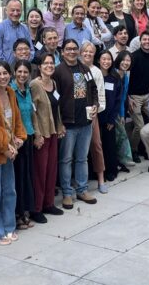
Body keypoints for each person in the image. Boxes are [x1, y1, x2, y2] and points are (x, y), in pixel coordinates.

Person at [52, 39, 99, 209]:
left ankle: (82, 189)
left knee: (82, 158)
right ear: (62, 52)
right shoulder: (58, 72)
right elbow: (54, 100)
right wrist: (59, 123)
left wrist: (95, 105)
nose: (72, 52)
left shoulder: (85, 69)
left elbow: (93, 90)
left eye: (74, 49)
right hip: (68, 123)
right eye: (68, 49)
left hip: (85, 122)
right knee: (66, 160)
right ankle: (66, 193)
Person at [0, 61, 26, 245]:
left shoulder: (10, 92)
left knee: (10, 190)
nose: (3, 77)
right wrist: (5, 147)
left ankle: (9, 226)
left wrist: (19, 138)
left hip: (11, 149)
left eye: (5, 73)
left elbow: (17, 118)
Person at [29, 52, 65, 223]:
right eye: (46, 63)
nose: (49, 66)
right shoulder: (34, 85)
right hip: (42, 134)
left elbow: (56, 108)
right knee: (40, 172)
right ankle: (36, 208)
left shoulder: (54, 83)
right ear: (40, 66)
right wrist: (37, 134)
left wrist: (60, 126)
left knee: (51, 170)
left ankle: (48, 203)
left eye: (52, 63)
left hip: (53, 132)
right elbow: (32, 112)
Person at [11, 60, 37, 230]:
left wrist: (36, 133)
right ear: (14, 72)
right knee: (17, 179)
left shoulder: (27, 89)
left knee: (27, 176)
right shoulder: (11, 91)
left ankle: (25, 211)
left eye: (25, 72)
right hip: (17, 140)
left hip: (28, 136)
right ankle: (17, 214)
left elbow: (32, 113)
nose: (22, 75)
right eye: (19, 72)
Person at [127, 32, 149, 163]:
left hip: (148, 95)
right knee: (139, 126)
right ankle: (134, 150)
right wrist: (128, 97)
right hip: (134, 96)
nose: (147, 41)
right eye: (144, 39)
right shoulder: (133, 57)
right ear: (140, 41)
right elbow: (127, 79)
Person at [80, 42, 108, 193]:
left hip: (92, 113)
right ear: (81, 52)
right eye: (85, 51)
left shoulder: (96, 72)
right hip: (75, 115)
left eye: (91, 52)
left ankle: (101, 179)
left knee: (96, 144)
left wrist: (97, 109)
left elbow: (101, 95)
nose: (88, 54)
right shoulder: (75, 68)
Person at [97, 51, 122, 182]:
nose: (106, 62)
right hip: (95, 116)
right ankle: (95, 171)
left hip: (109, 117)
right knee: (95, 146)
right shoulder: (94, 75)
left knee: (109, 145)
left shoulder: (115, 77)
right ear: (99, 60)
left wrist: (112, 118)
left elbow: (118, 100)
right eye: (103, 59)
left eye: (109, 59)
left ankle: (110, 170)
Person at [0, 0, 32, 64]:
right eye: (12, 10)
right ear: (6, 11)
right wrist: (7, 69)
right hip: (6, 70)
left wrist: (25, 63)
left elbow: (31, 50)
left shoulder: (25, 28)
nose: (15, 13)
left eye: (18, 10)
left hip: (24, 69)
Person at [113, 51, 135, 170]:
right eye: (124, 60)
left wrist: (122, 114)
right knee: (121, 134)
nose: (126, 63)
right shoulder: (113, 73)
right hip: (110, 110)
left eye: (128, 61)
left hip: (119, 109)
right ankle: (125, 158)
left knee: (121, 133)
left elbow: (122, 97)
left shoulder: (125, 77)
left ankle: (122, 159)